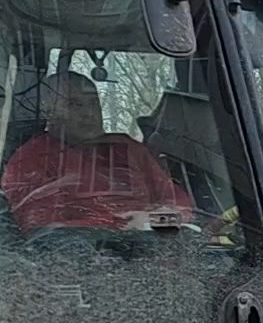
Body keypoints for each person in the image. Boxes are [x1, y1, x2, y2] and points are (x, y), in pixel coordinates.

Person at [1, 71, 193, 234]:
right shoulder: (30, 160)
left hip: (151, 256)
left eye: (93, 103)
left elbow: (182, 209)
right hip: (80, 263)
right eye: (74, 105)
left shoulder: (128, 149)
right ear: (48, 112)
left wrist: (153, 220)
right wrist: (121, 225)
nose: (89, 113)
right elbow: (39, 226)